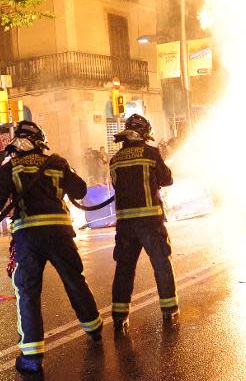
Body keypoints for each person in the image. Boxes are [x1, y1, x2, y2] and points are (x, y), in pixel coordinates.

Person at [0, 120, 102, 374]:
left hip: (28, 237)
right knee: (74, 281)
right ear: (40, 141)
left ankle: (32, 357)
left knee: (28, 292)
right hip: (59, 235)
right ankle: (94, 327)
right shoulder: (56, 162)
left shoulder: (11, 166)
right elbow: (80, 190)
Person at [108, 113, 178, 335]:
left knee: (124, 269)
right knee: (161, 264)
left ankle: (119, 317)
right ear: (144, 133)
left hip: (125, 224)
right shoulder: (151, 153)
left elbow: (115, 184)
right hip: (149, 222)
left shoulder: (115, 159)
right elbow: (167, 179)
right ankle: (169, 311)